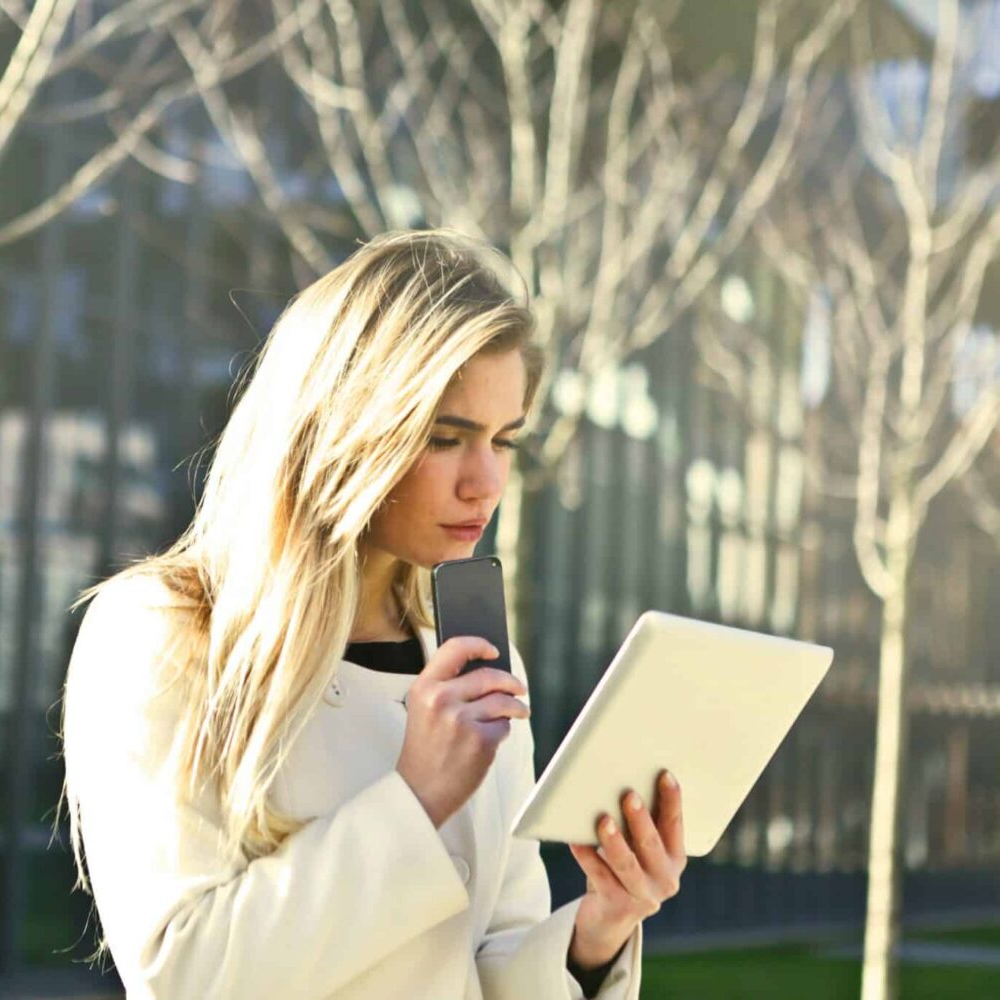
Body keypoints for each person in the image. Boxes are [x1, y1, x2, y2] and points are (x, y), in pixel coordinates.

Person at [62, 229, 687, 1000]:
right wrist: (415, 797)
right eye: (446, 438)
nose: (485, 482)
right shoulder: (165, 632)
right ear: (348, 427)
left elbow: (483, 961)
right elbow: (183, 973)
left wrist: (594, 937)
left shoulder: (476, 652)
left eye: (504, 441)